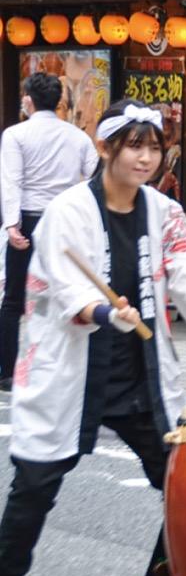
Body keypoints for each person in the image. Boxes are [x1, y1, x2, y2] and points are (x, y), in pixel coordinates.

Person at [0, 101, 186, 576]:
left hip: (139, 370)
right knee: (35, 483)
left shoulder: (162, 210)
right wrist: (106, 310)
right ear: (105, 149)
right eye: (134, 146)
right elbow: (67, 287)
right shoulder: (67, 212)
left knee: (181, 478)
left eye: (153, 146)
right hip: (73, 367)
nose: (146, 157)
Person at [1, 73, 100, 392]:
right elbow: (94, 177)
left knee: (14, 298)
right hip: (65, 221)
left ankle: (8, 372)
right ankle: (65, 368)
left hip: (28, 220)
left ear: (28, 99)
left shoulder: (16, 134)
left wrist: (11, 225)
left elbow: (11, 181)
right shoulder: (78, 137)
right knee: (67, 293)